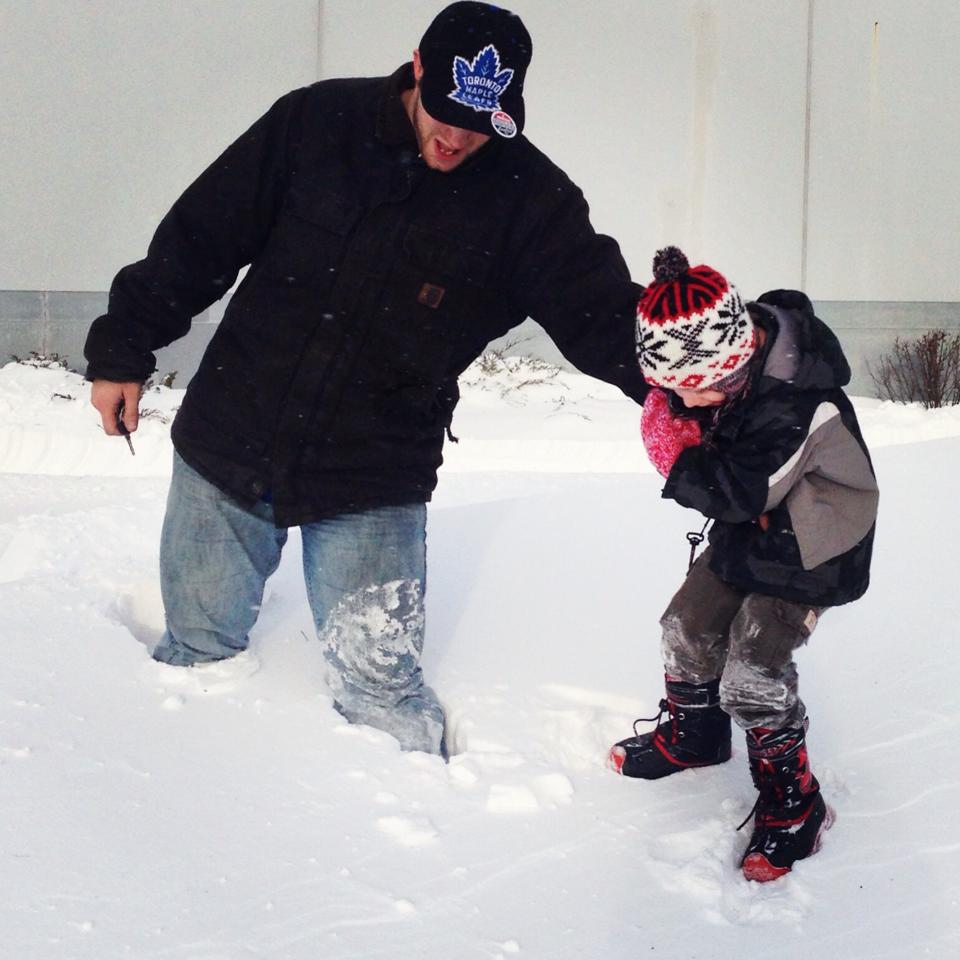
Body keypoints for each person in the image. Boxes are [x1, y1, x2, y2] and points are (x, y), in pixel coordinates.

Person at [84, 2, 648, 757]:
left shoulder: (529, 199)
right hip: (231, 436)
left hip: (374, 470)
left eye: (480, 124)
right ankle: (191, 793)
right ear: (417, 68)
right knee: (196, 662)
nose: (457, 139)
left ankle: (406, 820)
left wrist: (699, 381)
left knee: (383, 699)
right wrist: (123, 348)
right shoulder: (316, 123)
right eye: (446, 114)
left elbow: (600, 314)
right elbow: (200, 238)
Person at [609, 246, 878, 881]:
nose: (680, 401)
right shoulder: (728, 377)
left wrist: (676, 457)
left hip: (812, 548)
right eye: (670, 388)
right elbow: (736, 488)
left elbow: (743, 493)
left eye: (689, 388)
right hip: (751, 533)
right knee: (684, 628)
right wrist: (684, 412)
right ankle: (697, 738)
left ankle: (797, 804)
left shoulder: (799, 404)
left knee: (751, 676)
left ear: (732, 362)